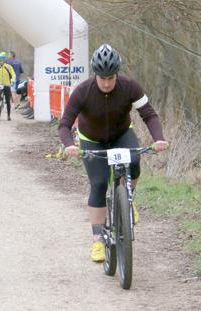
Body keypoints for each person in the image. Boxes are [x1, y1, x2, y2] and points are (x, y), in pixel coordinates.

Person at [59, 43, 169, 262]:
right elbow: (64, 124)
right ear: (96, 75)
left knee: (135, 160)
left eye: (111, 77)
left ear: (117, 74)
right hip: (92, 140)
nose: (107, 83)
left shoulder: (130, 87)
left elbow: (149, 114)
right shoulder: (82, 91)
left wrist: (158, 139)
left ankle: (128, 197)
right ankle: (98, 240)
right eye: (103, 78)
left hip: (120, 135)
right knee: (99, 184)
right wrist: (69, 144)